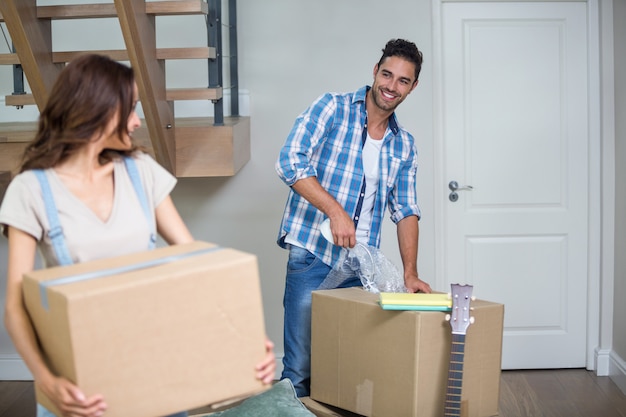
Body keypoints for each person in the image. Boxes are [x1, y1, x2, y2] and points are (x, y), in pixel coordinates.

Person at [0, 54, 276, 417]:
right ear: (98, 112)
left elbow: (199, 266)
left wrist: (244, 340)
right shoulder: (31, 189)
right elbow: (17, 304)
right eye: (130, 109)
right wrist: (47, 382)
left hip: (152, 367)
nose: (137, 121)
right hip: (82, 387)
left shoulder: (140, 171)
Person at [275, 39, 433, 397]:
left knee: (347, 367)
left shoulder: (404, 144)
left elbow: (406, 209)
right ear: (375, 72)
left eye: (403, 81)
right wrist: (335, 211)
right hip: (312, 255)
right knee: (299, 371)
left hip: (359, 268)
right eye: (387, 74)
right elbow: (289, 161)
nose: (392, 86)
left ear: (413, 87)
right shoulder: (332, 108)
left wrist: (410, 273)